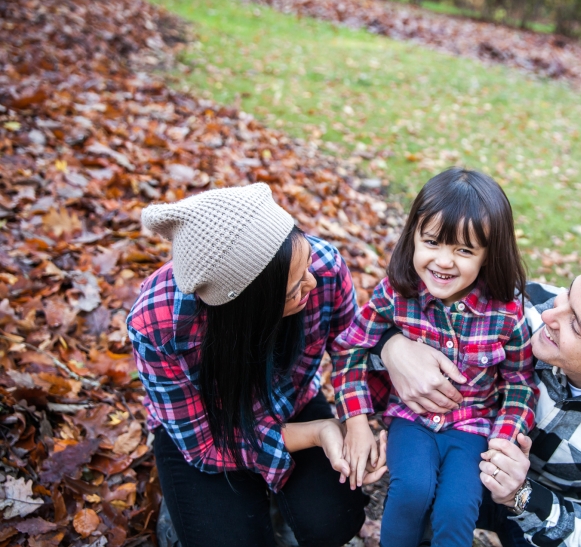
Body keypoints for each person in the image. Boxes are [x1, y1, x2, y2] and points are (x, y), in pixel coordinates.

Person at [374, 252, 581, 547]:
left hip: (548, 505)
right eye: (568, 293)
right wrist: (391, 346)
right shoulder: (513, 306)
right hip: (454, 458)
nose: (551, 314)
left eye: (575, 325)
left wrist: (522, 495)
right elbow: (373, 323)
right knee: (419, 497)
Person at [126, 183, 387, 547]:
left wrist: (355, 423)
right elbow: (203, 447)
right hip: (208, 428)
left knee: (334, 520)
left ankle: (278, 505)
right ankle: (185, 515)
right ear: (247, 307)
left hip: (290, 401)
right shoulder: (158, 325)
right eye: (294, 288)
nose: (310, 282)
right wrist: (318, 432)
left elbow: (351, 349)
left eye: (306, 262)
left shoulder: (322, 268)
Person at [331, 168, 537, 547]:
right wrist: (357, 423)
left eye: (464, 250)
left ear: (488, 256)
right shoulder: (396, 293)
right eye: (432, 242)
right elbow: (350, 348)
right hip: (412, 420)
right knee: (411, 491)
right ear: (413, 236)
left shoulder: (507, 313)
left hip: (473, 427)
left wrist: (502, 442)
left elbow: (520, 383)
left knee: (456, 509)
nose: (443, 262)